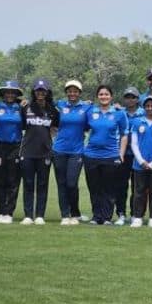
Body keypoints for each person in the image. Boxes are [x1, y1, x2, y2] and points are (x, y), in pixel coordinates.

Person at [83, 85, 129, 225]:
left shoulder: (119, 113)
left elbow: (124, 134)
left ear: (111, 96)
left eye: (106, 94)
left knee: (109, 188)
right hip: (91, 155)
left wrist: (121, 153)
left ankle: (107, 217)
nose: (104, 97)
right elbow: (83, 128)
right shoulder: (91, 111)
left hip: (111, 155)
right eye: (101, 94)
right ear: (98, 96)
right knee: (94, 188)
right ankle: (97, 217)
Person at [18, 79, 59, 225]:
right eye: (37, 90)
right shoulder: (26, 108)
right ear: (34, 92)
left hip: (45, 153)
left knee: (42, 184)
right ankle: (28, 215)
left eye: (43, 90)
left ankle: (40, 215)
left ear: (47, 92)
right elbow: (21, 126)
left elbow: (55, 129)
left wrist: (48, 141)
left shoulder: (53, 110)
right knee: (28, 184)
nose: (40, 93)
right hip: (27, 151)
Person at [53, 80, 90, 225]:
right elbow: (45, 105)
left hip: (77, 151)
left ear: (79, 93)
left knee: (71, 183)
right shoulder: (60, 105)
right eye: (69, 91)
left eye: (75, 91)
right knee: (61, 183)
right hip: (59, 150)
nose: (72, 93)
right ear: (66, 92)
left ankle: (75, 213)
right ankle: (65, 215)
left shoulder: (86, 107)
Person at [0, 81, 25, 225]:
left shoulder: (21, 108)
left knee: (13, 180)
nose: (10, 94)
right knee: (0, 179)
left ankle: (9, 212)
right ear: (3, 94)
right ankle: (0, 211)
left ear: (16, 94)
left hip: (15, 146)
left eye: (13, 92)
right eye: (7, 92)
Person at [130, 97, 152, 228]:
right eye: (147, 106)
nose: (150, 108)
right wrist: (141, 160)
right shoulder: (138, 122)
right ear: (143, 107)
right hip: (139, 164)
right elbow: (134, 143)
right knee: (139, 191)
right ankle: (138, 216)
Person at [114, 87, 144, 226]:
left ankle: (135, 213)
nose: (130, 100)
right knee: (120, 185)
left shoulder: (144, 113)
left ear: (137, 99)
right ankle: (121, 213)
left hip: (138, 155)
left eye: (133, 97)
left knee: (137, 187)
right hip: (123, 154)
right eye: (127, 97)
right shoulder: (120, 113)